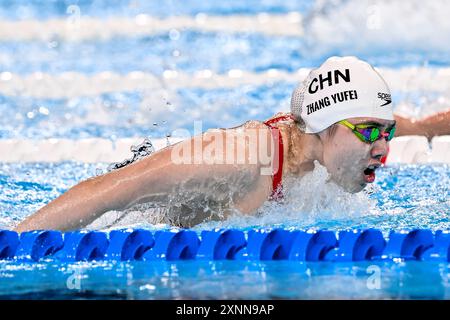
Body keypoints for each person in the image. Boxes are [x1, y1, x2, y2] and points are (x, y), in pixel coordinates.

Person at [14, 56, 450, 232]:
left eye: (387, 132)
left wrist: (422, 127)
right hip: (148, 219)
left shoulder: (331, 146)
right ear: (324, 124)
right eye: (371, 131)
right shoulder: (239, 158)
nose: (384, 147)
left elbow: (423, 126)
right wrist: (14, 241)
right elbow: (109, 191)